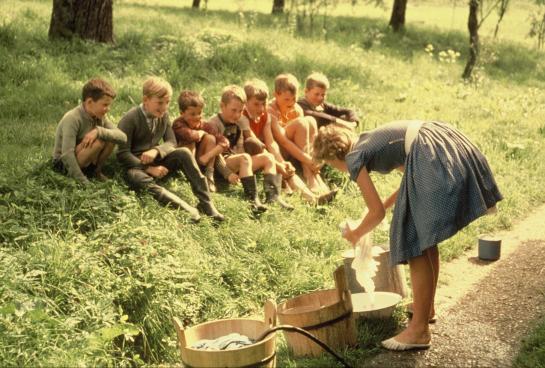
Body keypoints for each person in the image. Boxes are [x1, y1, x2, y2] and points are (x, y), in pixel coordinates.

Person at [313, 121, 503, 351]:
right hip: (438, 140)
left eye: (329, 164)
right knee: (425, 237)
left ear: (333, 156)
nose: (333, 168)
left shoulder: (354, 157)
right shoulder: (367, 141)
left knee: (413, 241)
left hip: (427, 150)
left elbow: (377, 214)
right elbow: (409, 178)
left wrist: (356, 234)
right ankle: (426, 309)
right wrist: (382, 206)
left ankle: (419, 330)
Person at [117, 77, 224, 222]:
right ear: (146, 99)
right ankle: (186, 209)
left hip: (157, 159)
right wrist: (148, 168)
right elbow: (122, 154)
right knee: (135, 177)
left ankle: (206, 203)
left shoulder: (163, 115)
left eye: (167, 102)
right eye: (159, 102)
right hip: (136, 165)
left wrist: (156, 151)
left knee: (183, 153)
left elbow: (171, 141)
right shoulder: (130, 118)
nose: (164, 107)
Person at [242, 78, 336, 206]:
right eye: (256, 104)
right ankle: (311, 197)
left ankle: (315, 184)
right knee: (284, 167)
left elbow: (271, 143)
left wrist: (282, 162)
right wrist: (280, 163)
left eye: (263, 104)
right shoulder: (246, 117)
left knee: (309, 121)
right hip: (254, 156)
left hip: (270, 152)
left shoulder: (265, 115)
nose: (261, 108)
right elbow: (263, 144)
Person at [206, 85, 287, 212]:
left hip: (242, 161)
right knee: (245, 158)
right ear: (222, 106)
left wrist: (275, 162)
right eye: (233, 110)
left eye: (240, 110)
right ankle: (253, 200)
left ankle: (273, 197)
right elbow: (215, 156)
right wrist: (227, 174)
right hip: (224, 163)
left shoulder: (242, 120)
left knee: (268, 157)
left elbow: (249, 141)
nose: (237, 114)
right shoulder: (213, 123)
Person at [52, 78, 127, 184]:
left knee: (110, 137)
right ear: (90, 102)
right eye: (105, 105)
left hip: (83, 157)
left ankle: (95, 172)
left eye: (109, 105)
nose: (108, 109)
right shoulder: (73, 118)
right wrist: (83, 181)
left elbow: (122, 137)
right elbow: (66, 155)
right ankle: (80, 177)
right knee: (99, 142)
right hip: (64, 164)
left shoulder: (100, 117)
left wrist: (98, 131)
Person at [268, 73, 331, 195]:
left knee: (311, 120)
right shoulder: (270, 111)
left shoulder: (296, 108)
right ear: (276, 94)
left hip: (296, 152)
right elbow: (283, 142)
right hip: (280, 152)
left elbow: (306, 139)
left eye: (294, 98)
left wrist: (314, 158)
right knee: (301, 123)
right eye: (287, 99)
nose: (291, 103)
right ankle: (309, 175)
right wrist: (309, 160)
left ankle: (315, 175)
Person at [172, 90, 228, 193]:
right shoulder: (178, 124)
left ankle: (209, 175)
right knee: (190, 142)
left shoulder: (204, 124)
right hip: (182, 162)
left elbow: (224, 142)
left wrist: (207, 156)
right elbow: (190, 136)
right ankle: (189, 176)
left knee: (211, 138)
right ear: (182, 113)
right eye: (192, 114)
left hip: (201, 161)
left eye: (199, 113)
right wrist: (201, 133)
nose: (197, 117)